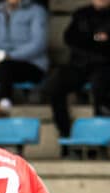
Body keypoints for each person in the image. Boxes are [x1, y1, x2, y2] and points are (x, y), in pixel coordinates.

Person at [45, 0, 110, 144]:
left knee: (101, 87)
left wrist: (91, 42)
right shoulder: (81, 14)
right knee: (55, 83)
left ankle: (101, 138)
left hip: (104, 66)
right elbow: (70, 38)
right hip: (80, 64)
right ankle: (65, 132)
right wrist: (96, 40)